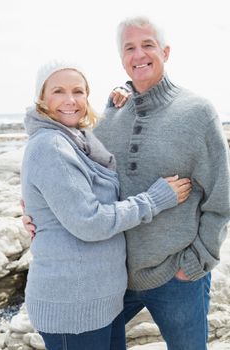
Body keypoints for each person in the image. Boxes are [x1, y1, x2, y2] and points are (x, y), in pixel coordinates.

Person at [21, 60, 192, 350]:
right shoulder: (50, 145)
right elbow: (91, 222)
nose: (70, 100)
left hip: (101, 300)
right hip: (73, 307)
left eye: (78, 91)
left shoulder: (78, 139)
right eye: (58, 91)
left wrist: (123, 90)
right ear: (41, 98)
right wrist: (155, 199)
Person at [95, 16, 230, 350]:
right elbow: (81, 174)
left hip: (177, 277)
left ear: (165, 52)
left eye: (148, 45)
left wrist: (197, 262)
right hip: (113, 278)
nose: (139, 54)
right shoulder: (111, 112)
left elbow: (222, 195)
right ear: (121, 59)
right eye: (130, 48)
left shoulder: (197, 112)